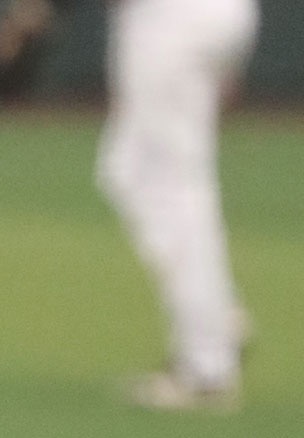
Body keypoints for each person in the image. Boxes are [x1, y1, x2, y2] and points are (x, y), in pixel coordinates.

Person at [100, 0, 261, 412]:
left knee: (170, 185)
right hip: (217, 14)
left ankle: (207, 368)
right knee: (129, 170)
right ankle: (215, 315)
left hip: (172, 16)